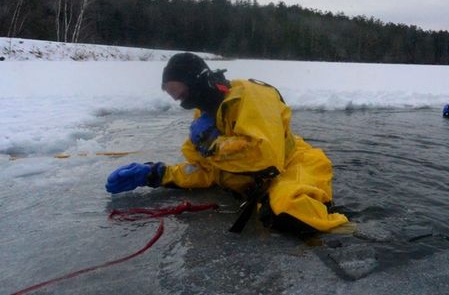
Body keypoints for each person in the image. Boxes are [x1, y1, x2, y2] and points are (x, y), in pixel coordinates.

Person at [105, 53, 348, 235]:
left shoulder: (252, 96)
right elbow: (209, 170)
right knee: (273, 211)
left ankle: (352, 235)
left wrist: (211, 143)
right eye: (173, 96)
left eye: (179, 92)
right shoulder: (206, 116)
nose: (179, 101)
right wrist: (157, 173)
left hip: (291, 165)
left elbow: (263, 157)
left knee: (290, 212)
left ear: (195, 81)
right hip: (256, 180)